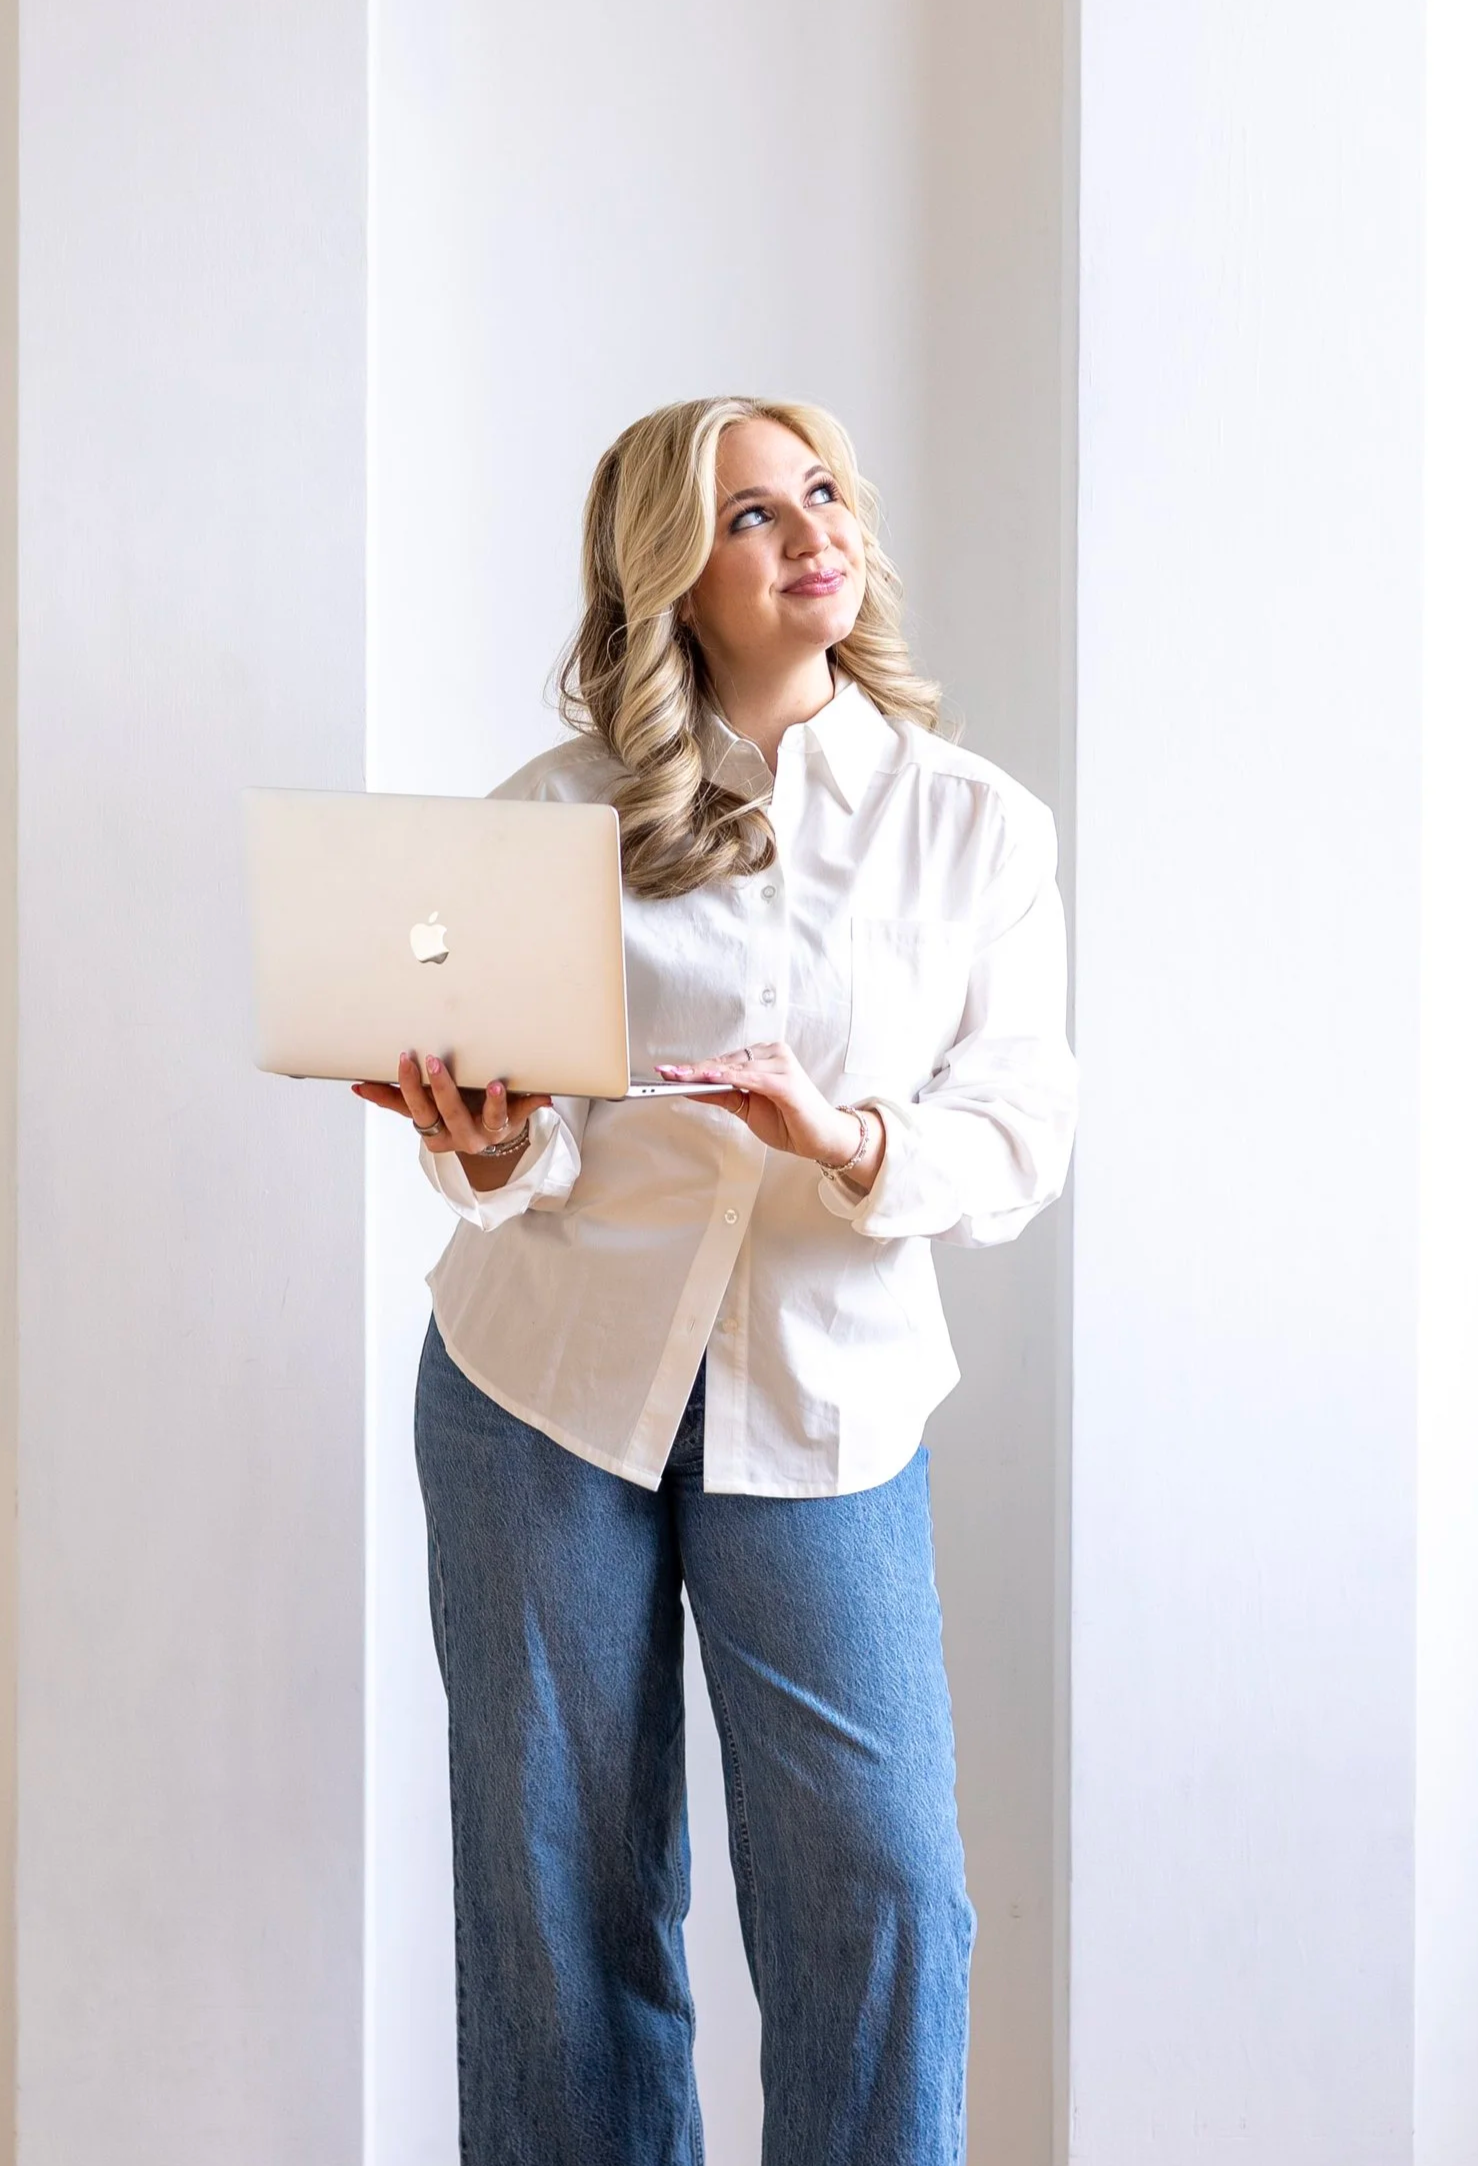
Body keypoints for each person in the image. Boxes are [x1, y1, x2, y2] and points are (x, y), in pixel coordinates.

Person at [352, 396, 1076, 2166]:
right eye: (753, 515)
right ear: (671, 573)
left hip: (825, 1402)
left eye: (821, 491)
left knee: (883, 1880)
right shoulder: (550, 817)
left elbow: (1020, 1131)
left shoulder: (972, 829)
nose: (811, 530)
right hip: (539, 1394)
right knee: (561, 1888)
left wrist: (846, 1140)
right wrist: (475, 1128)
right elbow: (520, 1166)